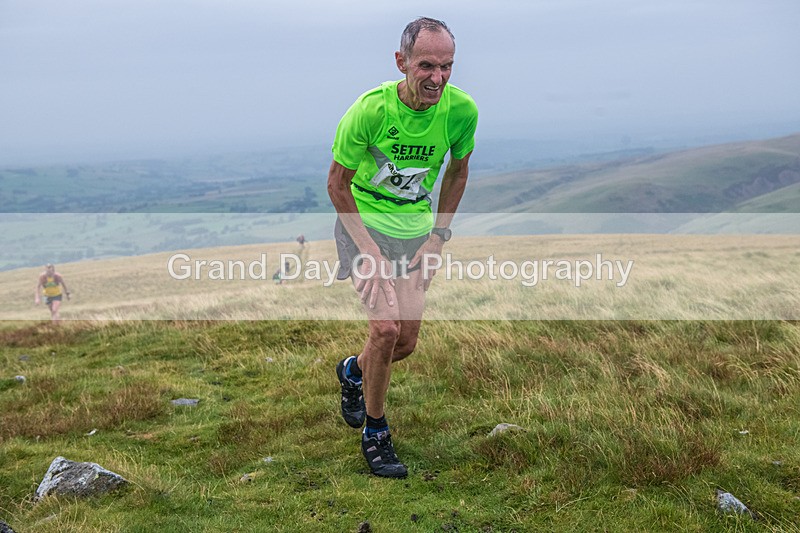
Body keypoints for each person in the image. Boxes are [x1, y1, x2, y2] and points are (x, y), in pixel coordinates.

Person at [328, 17, 477, 478]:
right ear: (402, 62)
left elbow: (457, 171)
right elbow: (337, 185)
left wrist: (438, 237)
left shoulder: (461, 111)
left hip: (415, 236)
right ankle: (376, 432)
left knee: (406, 342)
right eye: (427, 66)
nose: (438, 78)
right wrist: (368, 251)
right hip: (364, 228)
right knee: (386, 329)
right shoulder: (370, 111)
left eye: (447, 66)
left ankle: (353, 371)